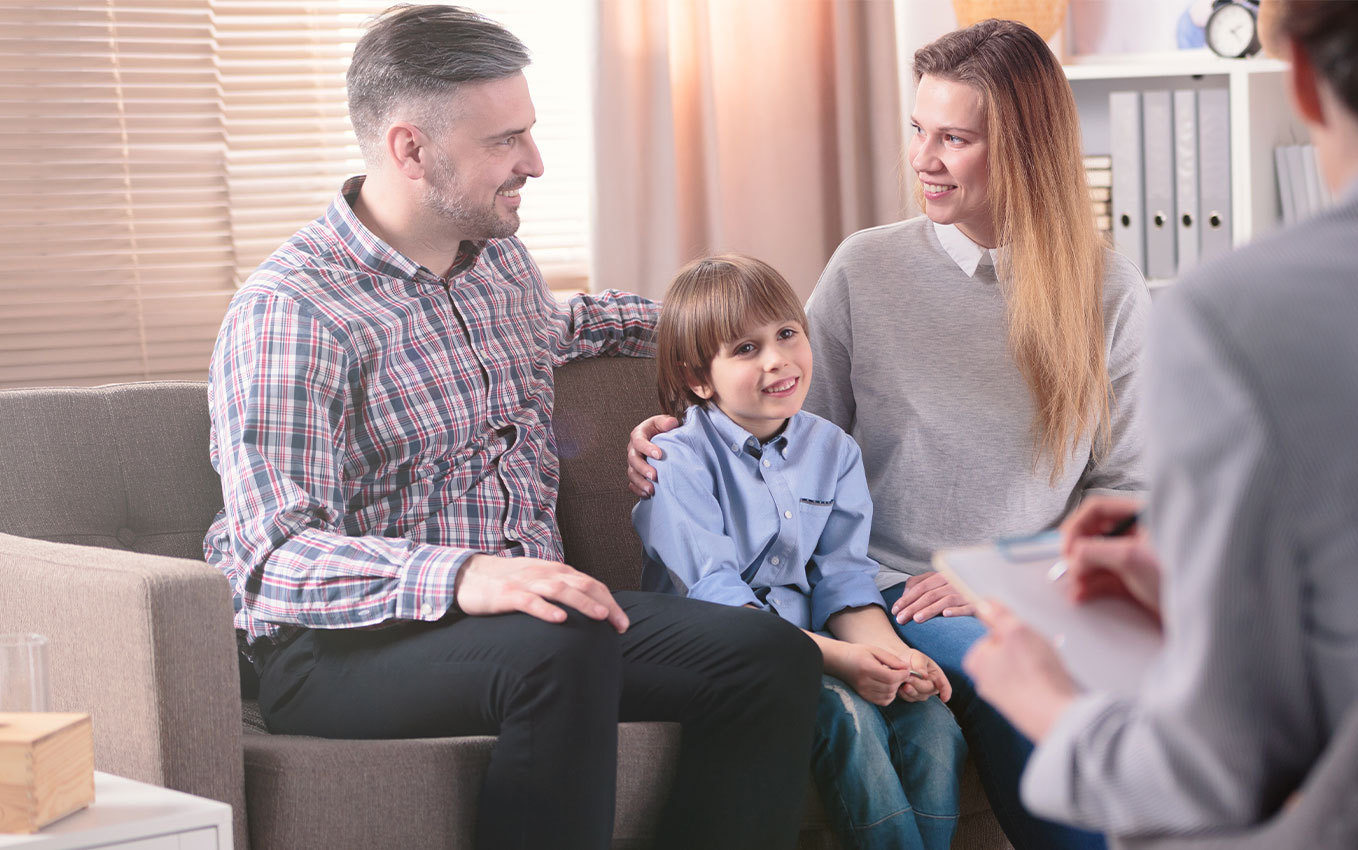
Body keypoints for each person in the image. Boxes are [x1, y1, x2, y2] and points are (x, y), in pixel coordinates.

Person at [963, 0, 1358, 836]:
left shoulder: (1232, 315)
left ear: (1301, 77)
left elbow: (1210, 772)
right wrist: (1216, 595)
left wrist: (1045, 705)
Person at [204, 7, 820, 849]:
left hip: (532, 622)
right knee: (561, 644)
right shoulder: (292, 312)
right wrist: (464, 576)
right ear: (410, 149)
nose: (534, 162)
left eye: (528, 132)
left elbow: (581, 326)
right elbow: (274, 558)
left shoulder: (497, 266)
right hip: (344, 651)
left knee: (768, 655)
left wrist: (739, 343)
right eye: (505, 141)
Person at [629, 19, 1148, 850]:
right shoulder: (864, 269)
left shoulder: (1111, 293)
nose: (923, 158)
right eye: (917, 129)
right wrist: (683, 435)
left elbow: (1131, 488)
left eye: (954, 138)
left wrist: (1009, 582)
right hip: (879, 589)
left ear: (1022, 147)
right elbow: (789, 440)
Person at [634, 254, 968, 850]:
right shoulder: (675, 462)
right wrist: (842, 661)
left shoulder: (833, 450)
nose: (777, 360)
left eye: (787, 334)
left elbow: (844, 577)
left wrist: (893, 657)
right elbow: (719, 602)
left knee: (934, 725)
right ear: (697, 378)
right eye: (744, 349)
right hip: (727, 653)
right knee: (851, 719)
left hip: (822, 641)